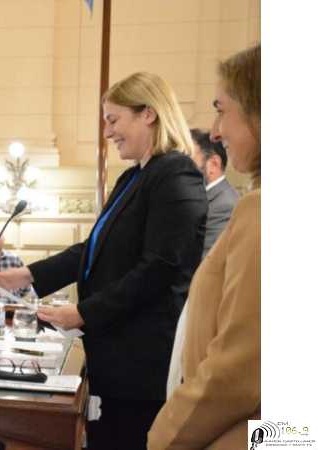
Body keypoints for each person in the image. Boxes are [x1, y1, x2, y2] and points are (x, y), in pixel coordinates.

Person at [0, 72, 207, 450]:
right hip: (116, 354)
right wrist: (26, 275)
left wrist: (84, 312)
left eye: (113, 119)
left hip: (142, 363)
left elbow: (159, 268)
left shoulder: (175, 173)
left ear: (148, 114)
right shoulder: (133, 178)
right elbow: (91, 250)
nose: (107, 132)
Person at [147, 44, 261, 450]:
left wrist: (164, 437)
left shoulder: (263, 209)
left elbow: (240, 369)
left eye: (222, 109)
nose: (216, 131)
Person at [190, 128, 239, 258]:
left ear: (214, 164)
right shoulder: (198, 197)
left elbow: (204, 264)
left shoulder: (224, 206)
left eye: (188, 161)